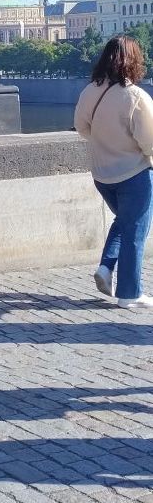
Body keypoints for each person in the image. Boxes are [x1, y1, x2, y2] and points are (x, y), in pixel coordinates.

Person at [74, 36, 153, 306]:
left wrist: (107, 141)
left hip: (102, 175)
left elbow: (81, 127)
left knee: (125, 221)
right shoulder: (135, 96)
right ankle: (129, 294)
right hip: (134, 174)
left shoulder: (90, 91)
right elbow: (149, 143)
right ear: (134, 60)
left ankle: (106, 268)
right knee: (135, 232)